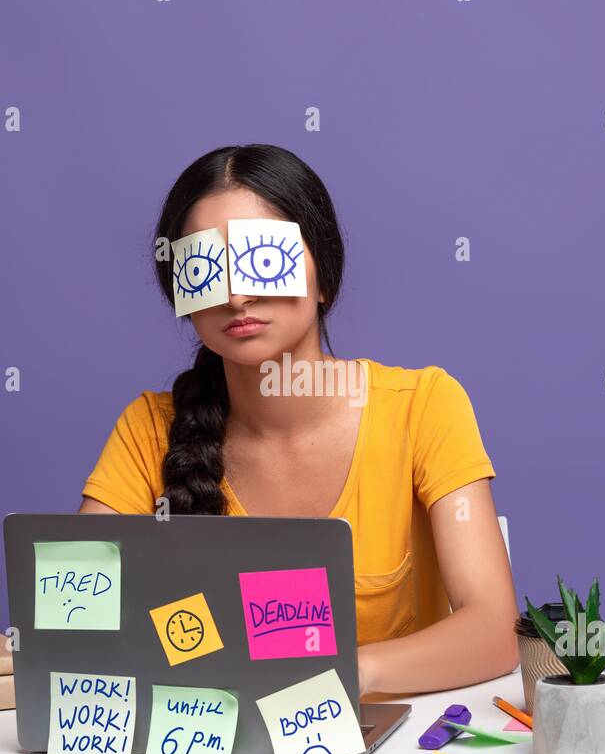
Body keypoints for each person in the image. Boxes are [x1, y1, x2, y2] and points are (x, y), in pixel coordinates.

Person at [80, 144, 518, 697]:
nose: (237, 295)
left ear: (323, 276)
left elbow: (494, 631)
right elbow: (73, 619)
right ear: (181, 294)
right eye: (205, 269)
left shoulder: (423, 406)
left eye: (264, 259)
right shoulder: (148, 430)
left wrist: (345, 675)